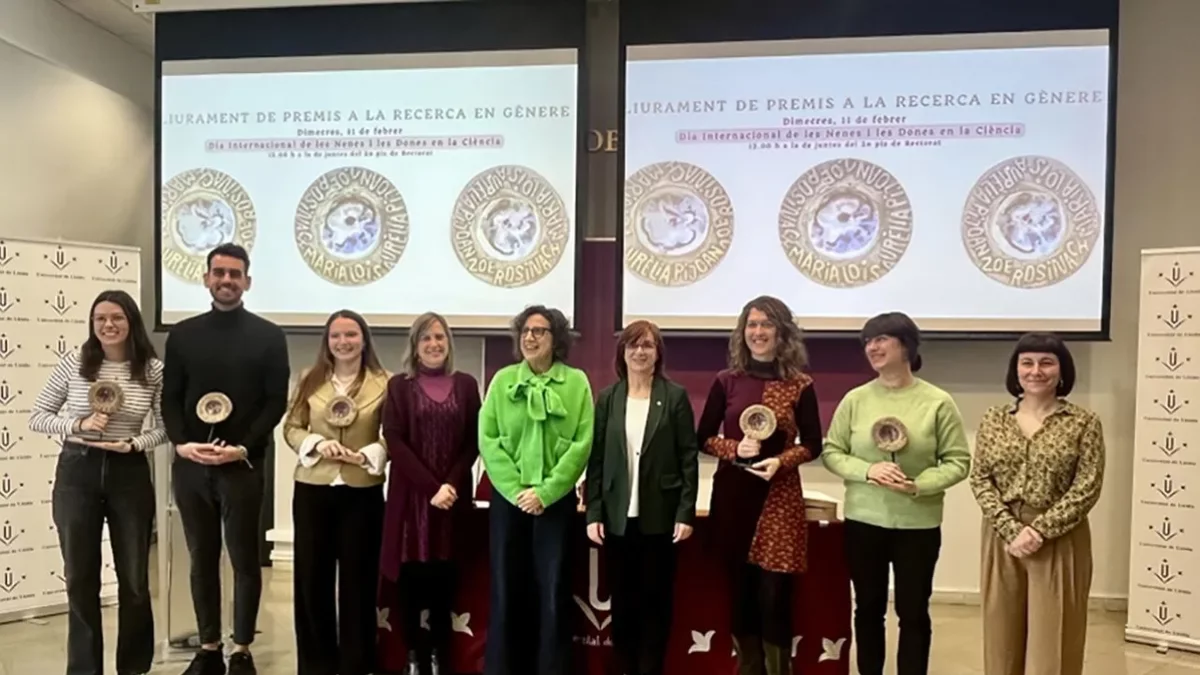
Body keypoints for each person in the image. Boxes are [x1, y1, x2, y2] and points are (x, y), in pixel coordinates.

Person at [163, 243, 290, 675]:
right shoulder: (181, 335)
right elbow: (170, 400)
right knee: (201, 558)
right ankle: (210, 647)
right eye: (219, 273)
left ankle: (241, 650)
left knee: (243, 560)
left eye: (235, 274)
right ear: (206, 278)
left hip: (243, 466)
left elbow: (275, 403)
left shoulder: (269, 336)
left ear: (247, 282)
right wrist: (181, 444)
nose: (226, 280)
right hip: (192, 466)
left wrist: (243, 447)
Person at [821, 312, 970, 675]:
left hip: (917, 525)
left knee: (913, 611)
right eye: (868, 341)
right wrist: (868, 470)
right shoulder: (855, 399)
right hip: (864, 521)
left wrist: (918, 484)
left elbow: (957, 461)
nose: (872, 347)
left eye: (881, 339)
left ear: (906, 345)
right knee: (868, 608)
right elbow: (831, 451)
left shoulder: (937, 401)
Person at [29, 289, 164, 675]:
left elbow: (166, 428)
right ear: (92, 324)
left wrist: (135, 443)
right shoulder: (75, 362)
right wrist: (78, 425)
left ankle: (134, 667)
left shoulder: (152, 370)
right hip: (78, 472)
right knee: (80, 578)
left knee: (135, 579)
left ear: (131, 322)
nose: (108, 325)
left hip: (129, 474)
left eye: (117, 317)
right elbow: (38, 415)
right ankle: (85, 669)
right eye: (100, 318)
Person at [696, 295, 823, 675]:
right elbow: (702, 437)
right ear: (742, 332)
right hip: (734, 498)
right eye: (751, 324)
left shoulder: (801, 384)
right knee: (742, 593)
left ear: (781, 331)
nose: (758, 332)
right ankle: (748, 668)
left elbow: (813, 444)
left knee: (774, 596)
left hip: (778, 499)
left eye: (766, 324)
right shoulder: (726, 381)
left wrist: (781, 461)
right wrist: (735, 448)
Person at [971, 333, 1104, 675]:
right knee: (1001, 637)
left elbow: (1086, 487)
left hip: (1060, 537)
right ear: (1016, 371)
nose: (1036, 371)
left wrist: (1039, 530)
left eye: (1047, 362)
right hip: (1003, 536)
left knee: (1053, 641)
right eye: (1026, 363)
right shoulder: (993, 419)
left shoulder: (1083, 422)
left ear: (1062, 371)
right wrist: (1012, 528)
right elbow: (980, 479)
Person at [479, 305, 594, 675]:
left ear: (556, 339)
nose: (530, 337)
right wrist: (516, 491)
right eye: (526, 331)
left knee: (553, 590)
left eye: (540, 331)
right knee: (505, 589)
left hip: (554, 503)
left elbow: (581, 443)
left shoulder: (576, 383)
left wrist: (545, 492)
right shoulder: (502, 380)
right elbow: (489, 439)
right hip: (508, 501)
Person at [585, 320, 700, 675]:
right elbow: (598, 459)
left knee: (655, 604)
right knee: (623, 605)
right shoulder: (608, 398)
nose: (640, 351)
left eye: (647, 345)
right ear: (623, 352)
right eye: (633, 345)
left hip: (661, 519)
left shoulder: (675, 396)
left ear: (657, 353)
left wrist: (685, 512)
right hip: (618, 519)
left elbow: (687, 458)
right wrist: (593, 513)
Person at [282, 310, 388, 675]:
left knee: (360, 582)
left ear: (364, 339)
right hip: (314, 490)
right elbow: (291, 427)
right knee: (312, 581)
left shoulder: (385, 383)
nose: (343, 342)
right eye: (336, 336)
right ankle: (316, 665)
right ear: (327, 342)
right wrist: (314, 443)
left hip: (363, 490)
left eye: (351, 335)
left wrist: (370, 454)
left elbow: (393, 434)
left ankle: (357, 664)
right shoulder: (309, 380)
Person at [380, 312, 481, 675]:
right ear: (415, 346)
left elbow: (473, 440)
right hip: (411, 501)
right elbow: (394, 440)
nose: (434, 344)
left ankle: (439, 656)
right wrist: (431, 488)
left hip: (451, 501)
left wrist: (450, 485)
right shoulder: (398, 387)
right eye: (426, 338)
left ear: (448, 343)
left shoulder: (467, 385)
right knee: (411, 585)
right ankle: (413, 657)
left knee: (443, 583)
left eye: (439, 337)